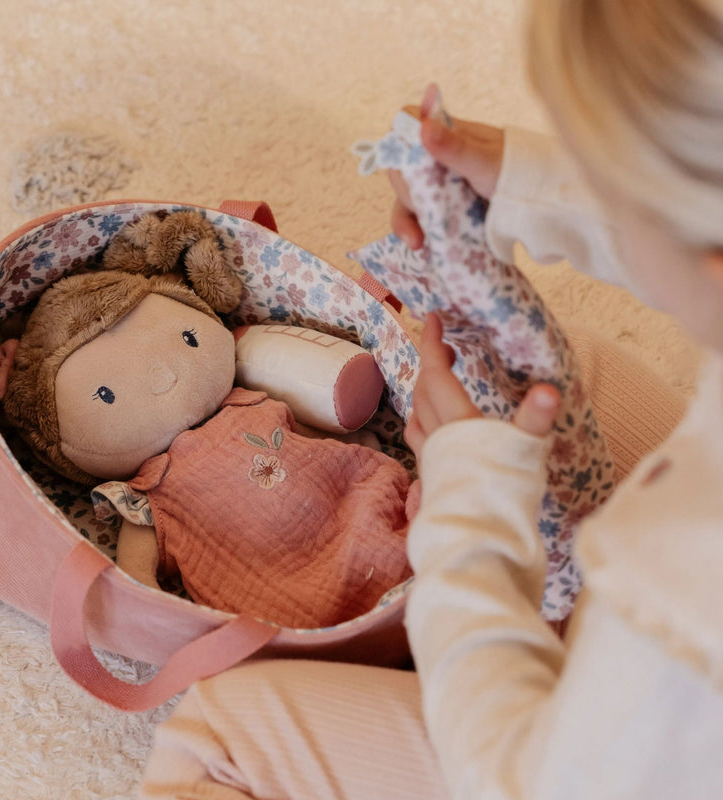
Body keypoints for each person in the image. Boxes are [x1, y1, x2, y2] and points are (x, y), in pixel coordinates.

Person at [138, 0, 721, 796]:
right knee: (558, 372)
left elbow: (519, 776)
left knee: (215, 737)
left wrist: (469, 514)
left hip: (579, 757)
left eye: (608, 177)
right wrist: (526, 179)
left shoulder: (675, 601)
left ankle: (547, 604)